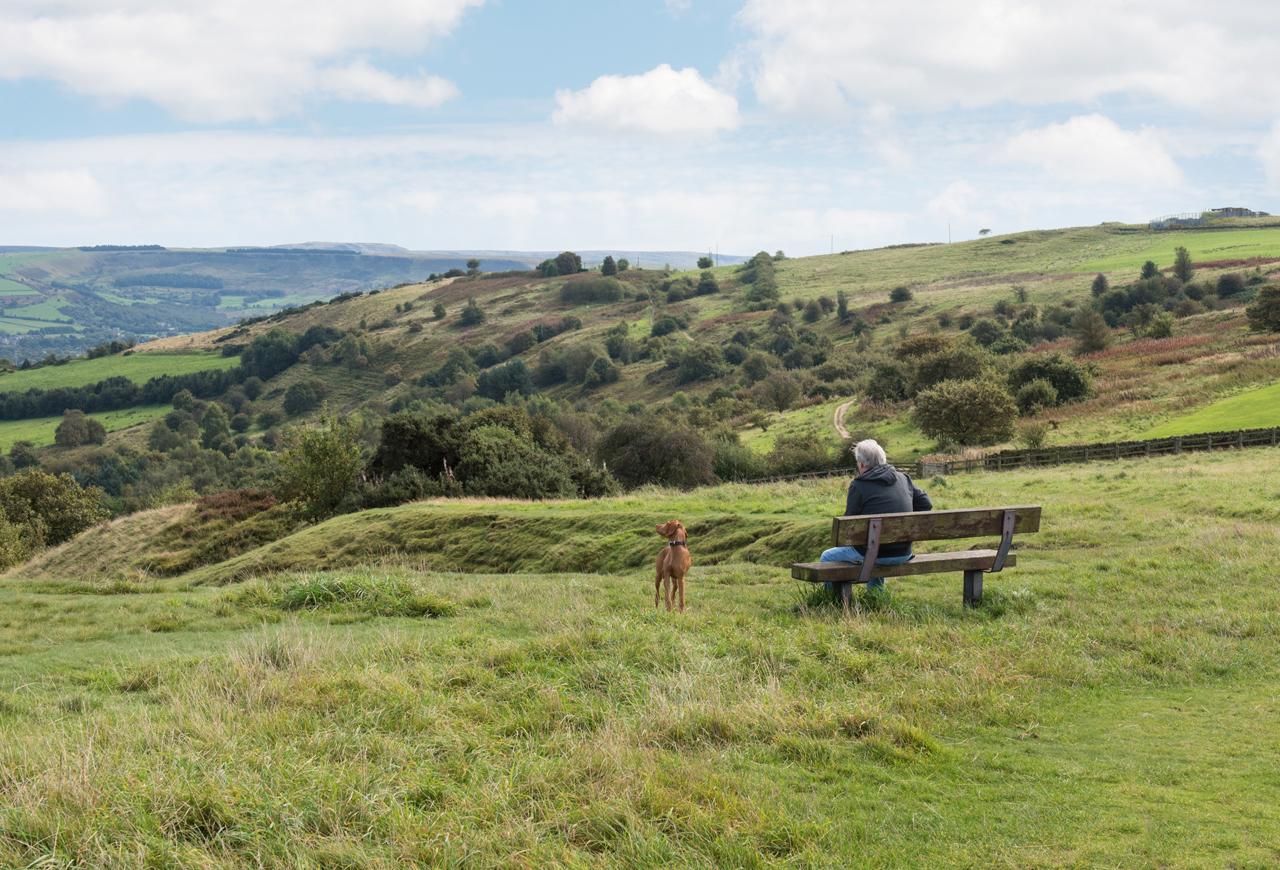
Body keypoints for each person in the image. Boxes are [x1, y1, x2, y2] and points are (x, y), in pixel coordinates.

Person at [819, 438, 932, 593]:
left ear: (862, 464)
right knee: (873, 546)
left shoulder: (859, 485)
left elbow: (848, 526)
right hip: (904, 552)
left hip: (875, 554)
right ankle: (875, 597)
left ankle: (831, 600)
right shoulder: (903, 478)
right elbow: (926, 504)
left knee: (827, 556)